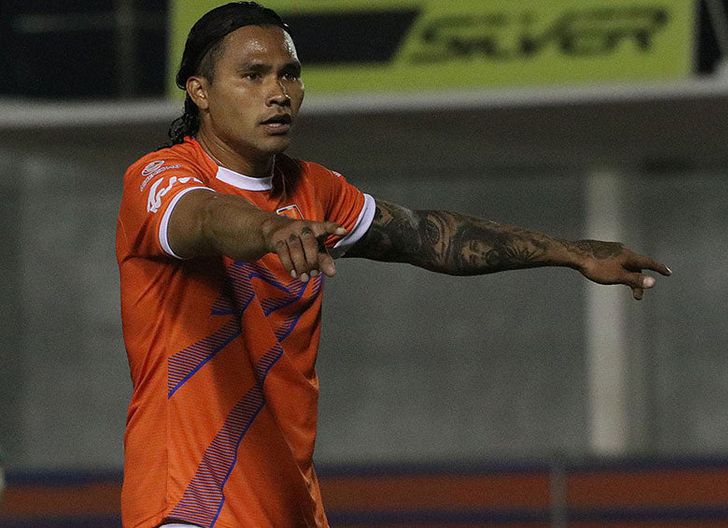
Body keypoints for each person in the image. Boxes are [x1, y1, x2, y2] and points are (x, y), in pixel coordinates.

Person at [116, 2, 671, 527]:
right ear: (200, 91)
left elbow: (426, 238)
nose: (278, 93)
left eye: (290, 74)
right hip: (189, 503)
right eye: (253, 76)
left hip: (288, 504)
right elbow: (205, 217)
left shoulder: (314, 189)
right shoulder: (160, 178)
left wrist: (572, 252)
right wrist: (269, 230)